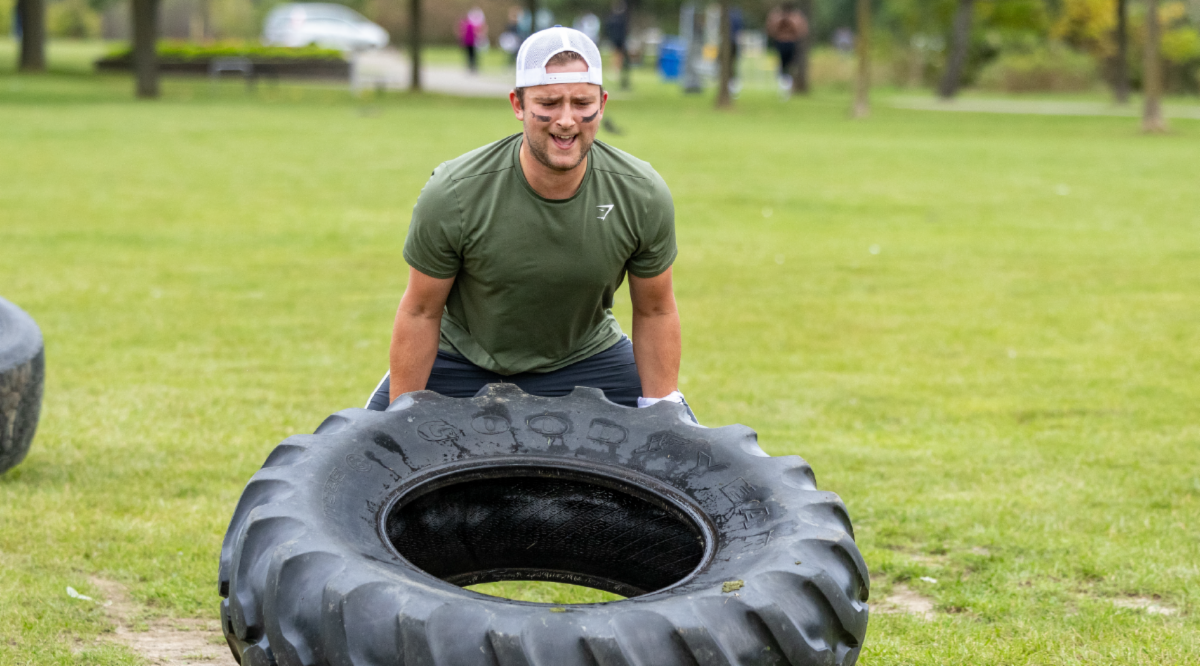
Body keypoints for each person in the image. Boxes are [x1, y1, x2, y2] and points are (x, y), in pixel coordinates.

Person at [366, 26, 694, 421]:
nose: (567, 120)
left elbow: (656, 310)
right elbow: (420, 311)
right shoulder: (454, 193)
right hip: (461, 359)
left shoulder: (641, 194)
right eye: (549, 102)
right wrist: (405, 418)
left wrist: (660, 414)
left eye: (582, 102)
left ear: (603, 104)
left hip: (587, 360)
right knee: (362, 457)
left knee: (688, 461)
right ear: (518, 104)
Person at [766, 2, 808, 96]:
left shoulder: (796, 17)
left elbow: (801, 30)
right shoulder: (777, 17)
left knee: (791, 65)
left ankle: (789, 86)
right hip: (781, 42)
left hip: (792, 42)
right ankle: (783, 86)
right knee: (782, 64)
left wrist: (792, 23)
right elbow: (771, 29)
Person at [457, 8, 487, 73]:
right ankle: (471, 67)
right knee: (471, 55)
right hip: (470, 42)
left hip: (471, 42)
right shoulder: (470, 25)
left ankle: (472, 67)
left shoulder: (467, 24)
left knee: (471, 55)